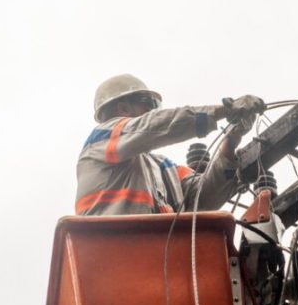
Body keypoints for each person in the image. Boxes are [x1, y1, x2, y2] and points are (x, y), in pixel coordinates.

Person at [75, 74, 264, 216]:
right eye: (148, 103)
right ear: (123, 108)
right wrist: (221, 111)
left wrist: (230, 142)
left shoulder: (163, 168)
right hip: (113, 256)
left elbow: (203, 199)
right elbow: (154, 124)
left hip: (162, 260)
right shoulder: (100, 141)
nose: (154, 110)